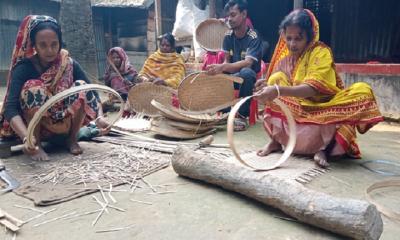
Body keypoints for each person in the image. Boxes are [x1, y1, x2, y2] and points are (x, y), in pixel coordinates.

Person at [253, 9, 383, 167]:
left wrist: (277, 91)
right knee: (275, 79)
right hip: (298, 108)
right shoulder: (285, 60)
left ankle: (325, 149)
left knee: (362, 91)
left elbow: (312, 89)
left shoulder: (321, 52)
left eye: (298, 39)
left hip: (323, 109)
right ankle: (276, 141)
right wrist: (265, 86)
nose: (292, 44)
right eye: (289, 38)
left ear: (310, 37)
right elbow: (279, 87)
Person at [0, 15, 109, 161]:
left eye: (54, 44)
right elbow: (10, 108)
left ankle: (71, 139)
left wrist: (99, 117)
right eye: (43, 45)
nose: (50, 50)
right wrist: (26, 137)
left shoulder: (68, 63)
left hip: (64, 122)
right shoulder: (24, 68)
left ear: (60, 43)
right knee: (33, 87)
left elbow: (93, 92)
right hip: (33, 127)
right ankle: (36, 144)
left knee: (82, 87)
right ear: (34, 46)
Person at [205, 0, 262, 131]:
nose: (229, 19)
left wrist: (223, 67)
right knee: (217, 74)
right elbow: (226, 61)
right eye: (228, 16)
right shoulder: (228, 36)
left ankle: (241, 116)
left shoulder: (253, 37)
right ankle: (224, 113)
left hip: (249, 80)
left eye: (233, 15)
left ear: (244, 14)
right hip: (233, 76)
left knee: (246, 73)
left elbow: (248, 63)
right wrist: (218, 68)